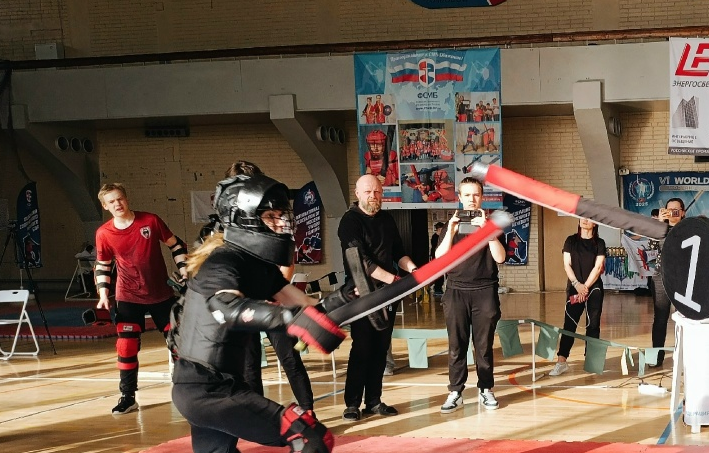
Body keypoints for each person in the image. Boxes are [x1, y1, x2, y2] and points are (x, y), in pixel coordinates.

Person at [92, 173, 347, 453]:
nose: (282, 223)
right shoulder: (222, 262)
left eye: (282, 215)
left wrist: (346, 303)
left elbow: (303, 305)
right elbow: (226, 308)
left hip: (208, 388)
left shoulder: (258, 267)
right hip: (207, 389)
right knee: (310, 437)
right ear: (245, 218)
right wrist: (291, 320)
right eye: (272, 215)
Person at [215, 161, 318, 415]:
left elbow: (286, 263)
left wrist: (276, 294)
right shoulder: (225, 230)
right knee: (249, 364)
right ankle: (257, 416)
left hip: (273, 299)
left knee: (290, 358)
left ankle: (308, 411)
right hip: (244, 304)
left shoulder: (272, 220)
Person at [94, 183, 189, 415]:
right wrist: (103, 294)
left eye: (120, 199)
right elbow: (103, 264)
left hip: (161, 293)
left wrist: (185, 271)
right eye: (111, 201)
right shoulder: (104, 233)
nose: (117, 204)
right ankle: (128, 396)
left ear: (126, 199)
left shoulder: (150, 221)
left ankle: (187, 390)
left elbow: (176, 244)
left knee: (179, 342)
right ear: (105, 206)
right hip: (128, 295)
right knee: (126, 345)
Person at [337, 174, 419, 421]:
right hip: (361, 294)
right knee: (362, 348)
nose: (373, 196)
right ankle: (352, 404)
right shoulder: (349, 221)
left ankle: (373, 401)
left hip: (386, 295)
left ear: (382, 194)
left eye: (377, 192)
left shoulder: (387, 219)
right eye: (368, 192)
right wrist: (394, 281)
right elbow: (362, 262)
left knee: (381, 348)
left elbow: (399, 253)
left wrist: (415, 270)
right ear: (357, 193)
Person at [436, 177, 506, 412]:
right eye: (467, 195)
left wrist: (488, 233)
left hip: (484, 291)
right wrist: (451, 230)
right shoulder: (451, 226)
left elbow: (500, 258)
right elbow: (439, 259)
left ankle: (486, 388)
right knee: (456, 345)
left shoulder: (492, 226)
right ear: (459, 197)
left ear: (482, 197)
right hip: (456, 291)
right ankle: (455, 391)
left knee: (483, 346)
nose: (472, 199)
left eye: (476, 194)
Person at [549, 217, 607, 377]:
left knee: (593, 325)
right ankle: (561, 361)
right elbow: (567, 264)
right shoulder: (570, 241)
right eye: (582, 217)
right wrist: (577, 285)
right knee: (569, 324)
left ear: (595, 223)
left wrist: (585, 287)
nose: (584, 220)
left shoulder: (600, 243)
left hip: (594, 288)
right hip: (575, 287)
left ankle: (592, 362)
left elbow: (597, 267)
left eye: (589, 218)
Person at [649, 197, 685, 368]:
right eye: (669, 210)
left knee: (684, 318)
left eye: (676, 210)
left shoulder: (689, 229)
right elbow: (652, 246)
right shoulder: (658, 229)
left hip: (683, 278)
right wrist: (660, 224)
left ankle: (684, 356)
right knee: (660, 318)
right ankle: (656, 356)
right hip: (661, 277)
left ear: (683, 212)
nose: (673, 213)